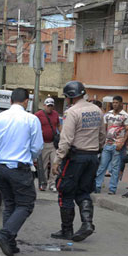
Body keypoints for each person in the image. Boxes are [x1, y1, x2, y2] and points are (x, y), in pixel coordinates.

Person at [0, 88, 44, 256]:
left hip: (1, 167)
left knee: (10, 205)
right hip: (19, 168)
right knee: (26, 204)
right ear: (26, 101)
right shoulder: (31, 119)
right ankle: (5, 235)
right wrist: (29, 157)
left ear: (11, 100)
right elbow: (37, 147)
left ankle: (10, 242)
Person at [51, 81, 105, 242]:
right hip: (92, 156)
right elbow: (102, 135)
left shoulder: (72, 112)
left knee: (65, 191)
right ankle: (87, 223)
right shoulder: (97, 110)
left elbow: (66, 139)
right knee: (83, 192)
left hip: (76, 158)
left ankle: (67, 230)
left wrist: (57, 160)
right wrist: (97, 149)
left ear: (69, 97)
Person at [95, 95, 128, 195]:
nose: (114, 104)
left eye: (117, 102)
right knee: (102, 166)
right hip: (107, 144)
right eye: (113, 102)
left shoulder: (125, 116)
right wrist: (101, 142)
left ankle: (112, 189)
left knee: (115, 168)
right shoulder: (108, 114)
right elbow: (103, 129)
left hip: (118, 145)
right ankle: (97, 186)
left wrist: (122, 143)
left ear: (121, 104)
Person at [35, 98, 61, 192]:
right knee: (44, 165)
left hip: (53, 143)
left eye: (51, 106)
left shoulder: (55, 114)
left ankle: (52, 183)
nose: (50, 107)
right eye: (48, 105)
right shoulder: (38, 115)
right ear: (44, 105)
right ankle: (43, 183)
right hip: (43, 143)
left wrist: (61, 135)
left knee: (54, 163)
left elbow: (58, 125)